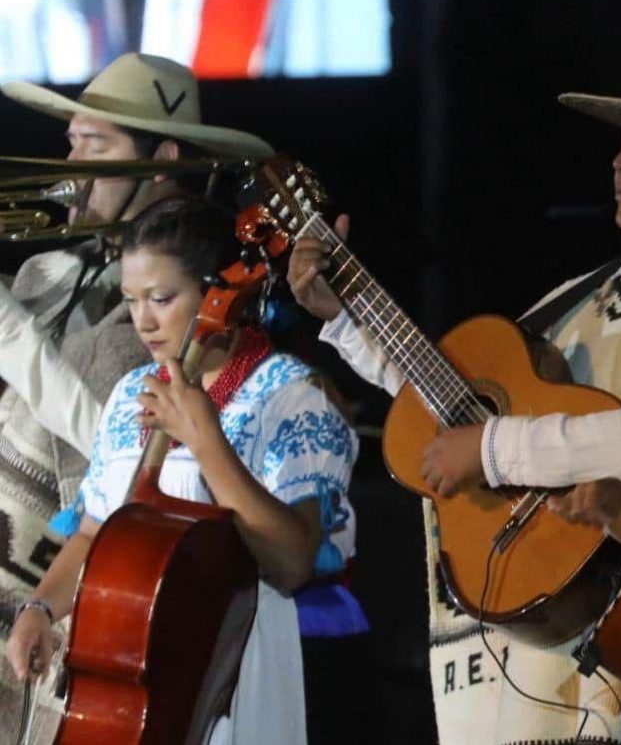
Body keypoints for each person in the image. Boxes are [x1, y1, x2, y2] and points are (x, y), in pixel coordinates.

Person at [289, 39, 621, 743]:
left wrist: (493, 448)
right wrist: (347, 322)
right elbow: (459, 406)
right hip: (521, 643)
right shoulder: (584, 294)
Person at [4, 198, 357, 744]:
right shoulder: (131, 393)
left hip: (238, 665)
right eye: (131, 301)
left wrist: (206, 439)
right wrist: (40, 608)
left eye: (162, 299)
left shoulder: (289, 395)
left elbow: (291, 562)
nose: (143, 321)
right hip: (142, 669)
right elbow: (97, 533)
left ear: (215, 293)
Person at [0, 52, 274, 734]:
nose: (71, 164)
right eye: (71, 142)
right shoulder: (47, 270)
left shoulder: (192, 311)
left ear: (162, 161)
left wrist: (8, 329)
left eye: (95, 145)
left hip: (75, 608)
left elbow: (119, 442)